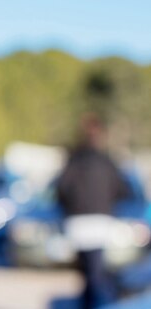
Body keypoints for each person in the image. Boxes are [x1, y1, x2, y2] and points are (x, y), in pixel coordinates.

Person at [56, 112, 130, 309]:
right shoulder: (107, 162)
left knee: (89, 273)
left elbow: (60, 190)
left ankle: (92, 302)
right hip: (99, 222)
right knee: (95, 273)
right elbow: (123, 190)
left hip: (77, 224)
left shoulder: (73, 161)